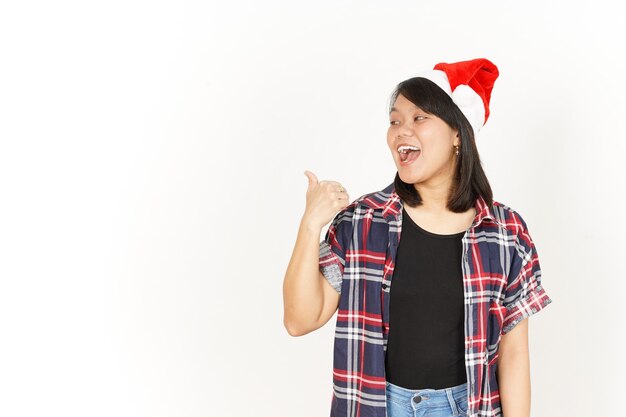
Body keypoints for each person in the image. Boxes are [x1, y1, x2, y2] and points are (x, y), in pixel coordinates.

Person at [282, 58, 553, 417]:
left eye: (419, 118)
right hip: (377, 406)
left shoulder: (504, 233)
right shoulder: (364, 222)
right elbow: (299, 320)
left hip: (466, 408)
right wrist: (309, 225)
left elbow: (514, 353)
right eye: (395, 121)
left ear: (458, 133)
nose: (401, 131)